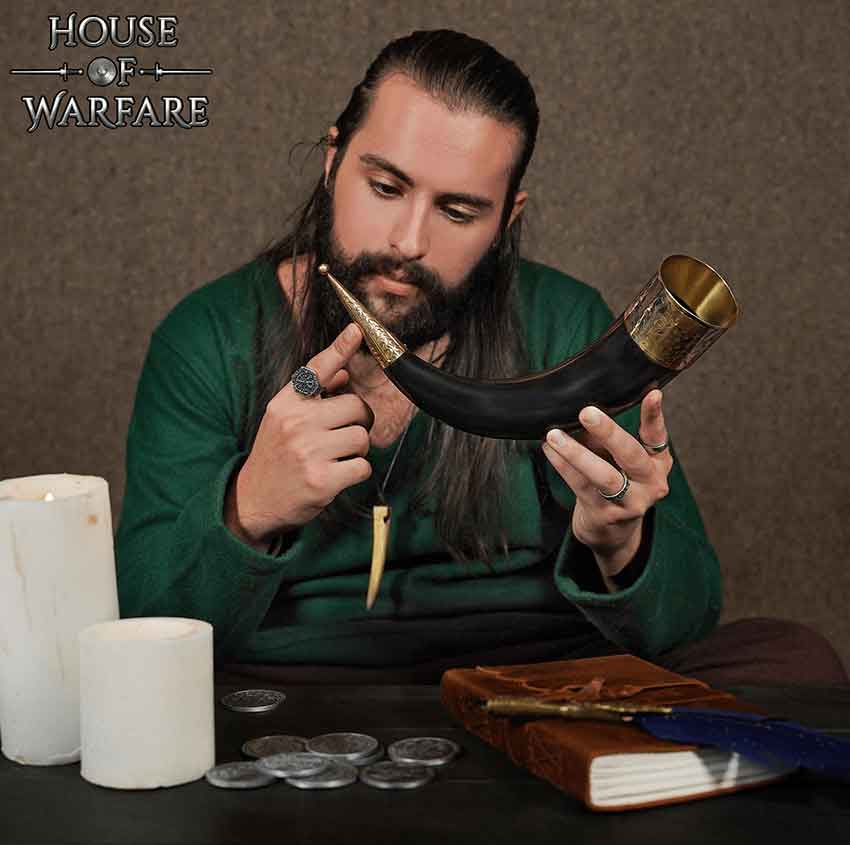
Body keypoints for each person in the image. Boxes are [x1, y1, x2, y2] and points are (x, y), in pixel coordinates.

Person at [116, 29, 846, 684]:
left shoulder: (567, 321)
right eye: (384, 187)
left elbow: (685, 619)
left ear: (506, 219)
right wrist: (247, 509)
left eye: (458, 211)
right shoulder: (208, 336)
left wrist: (623, 543)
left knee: (792, 659)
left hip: (538, 684)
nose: (408, 241)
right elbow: (143, 621)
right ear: (333, 161)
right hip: (299, 693)